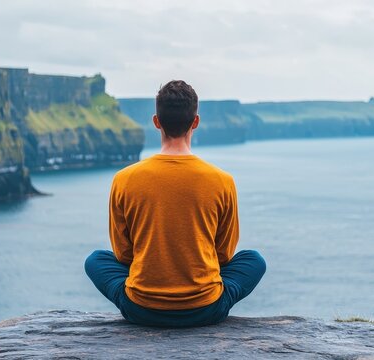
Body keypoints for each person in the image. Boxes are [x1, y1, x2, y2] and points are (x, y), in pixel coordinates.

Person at [85, 80, 266, 327]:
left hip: (141, 308)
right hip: (205, 309)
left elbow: (123, 254)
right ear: (196, 122)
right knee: (254, 260)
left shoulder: (124, 179)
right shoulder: (223, 181)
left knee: (96, 260)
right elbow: (224, 255)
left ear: (156, 122)